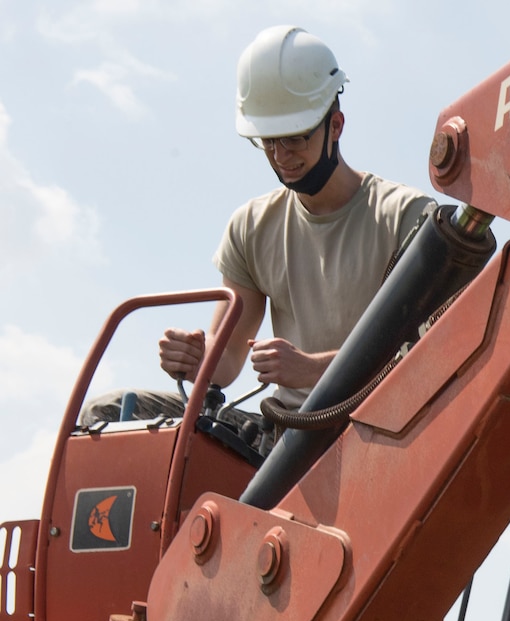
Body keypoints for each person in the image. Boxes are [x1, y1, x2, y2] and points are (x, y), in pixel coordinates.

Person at [83, 25, 431, 448]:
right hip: (288, 436)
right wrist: (196, 358)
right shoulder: (251, 226)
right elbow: (227, 362)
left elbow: (428, 357)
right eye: (268, 142)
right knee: (103, 415)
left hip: (384, 434)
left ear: (335, 125)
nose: (282, 157)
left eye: (295, 138)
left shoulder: (406, 218)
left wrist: (311, 370)